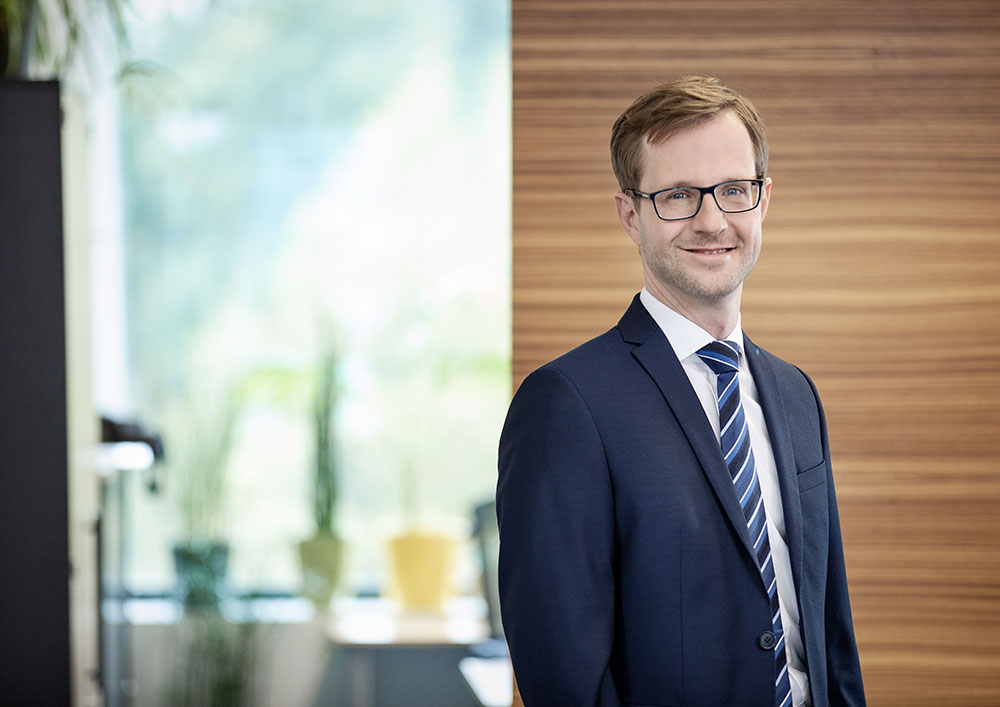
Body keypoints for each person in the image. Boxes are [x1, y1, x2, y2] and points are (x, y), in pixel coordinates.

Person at [496, 76, 866, 707]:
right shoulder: (565, 404)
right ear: (630, 215)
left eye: (733, 190)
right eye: (677, 196)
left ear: (763, 200)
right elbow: (563, 674)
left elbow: (831, 636)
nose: (712, 220)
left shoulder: (795, 393)